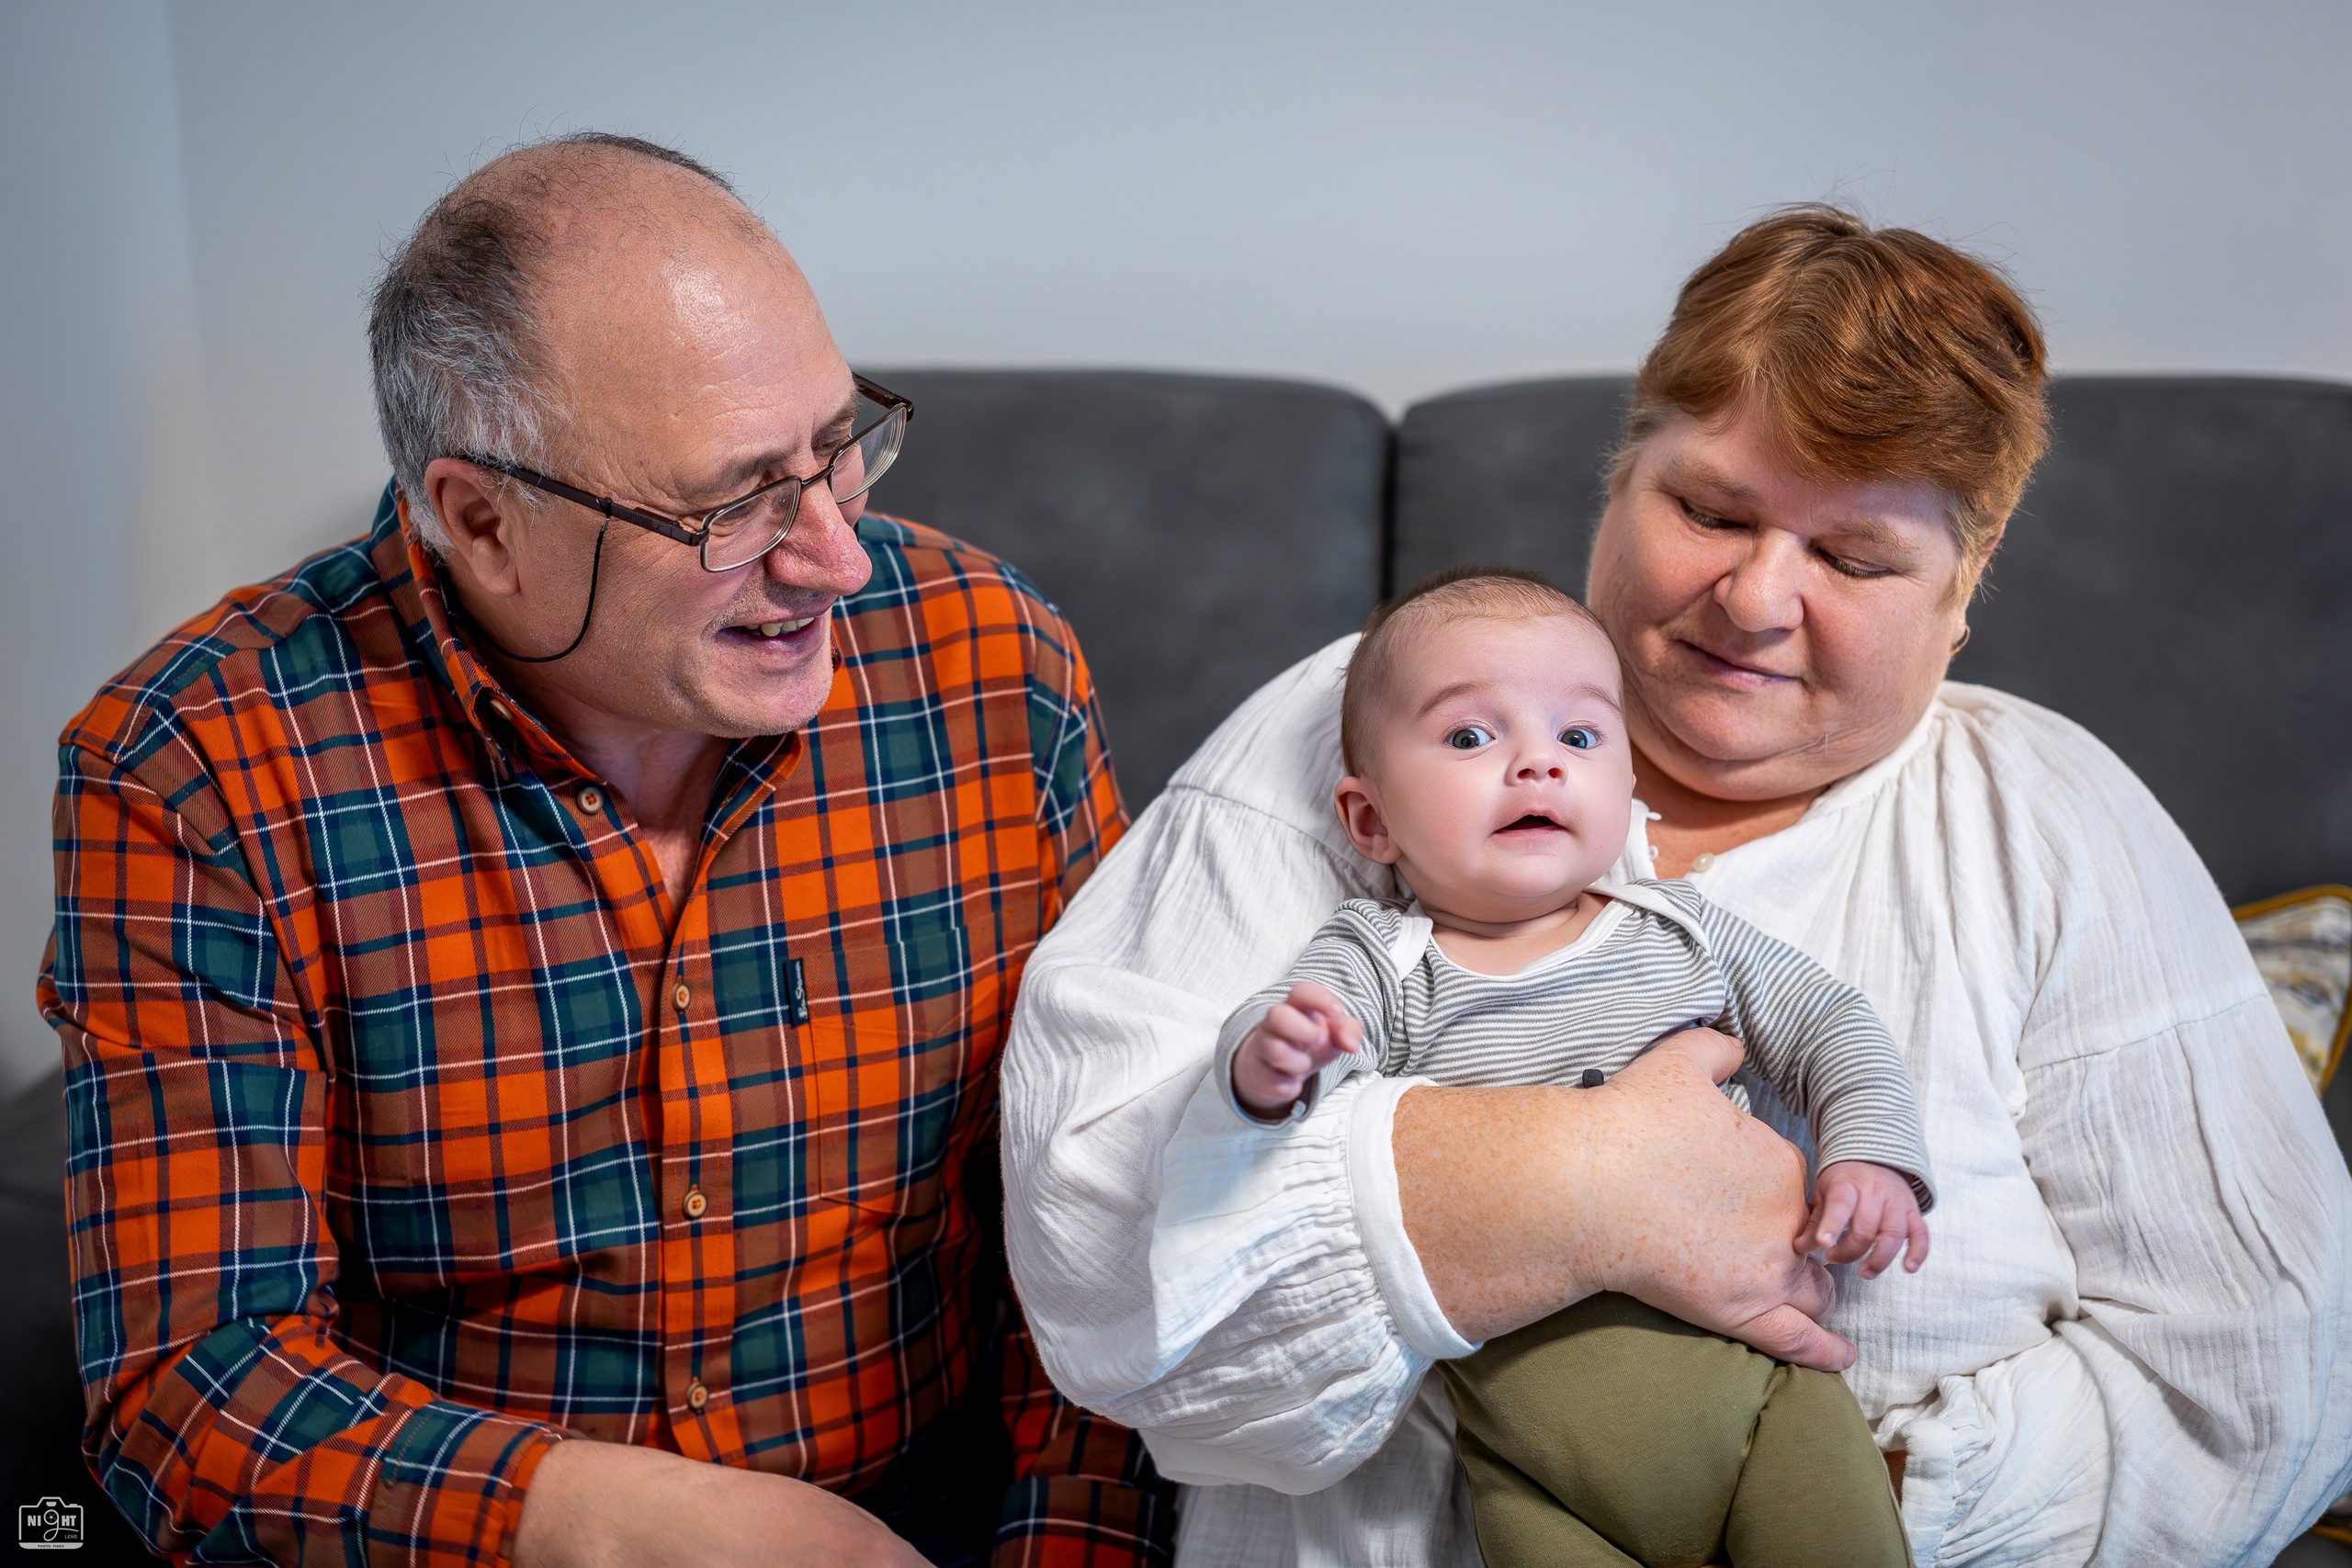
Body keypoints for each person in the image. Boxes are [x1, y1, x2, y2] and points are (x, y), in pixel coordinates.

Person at [1002, 206, 2352, 1565]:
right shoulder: (1360, 720)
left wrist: (1818, 1507)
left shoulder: (2048, 817)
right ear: (1620, 474)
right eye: (1709, 509)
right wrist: (1580, 1182)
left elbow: (2261, 1372)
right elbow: (1097, 1270)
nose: (1756, 599)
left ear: (1966, 584)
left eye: (1854, 558)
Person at [40, 133, 1172, 1568]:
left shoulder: (991, 662)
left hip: (948, 1509)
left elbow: (1105, 1204)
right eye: (736, 502)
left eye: (839, 450)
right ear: (483, 521)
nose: (839, 557)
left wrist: (1067, 1546)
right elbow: (194, 1384)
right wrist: (613, 1519)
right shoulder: (193, 769)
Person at [1215, 568, 1926, 1567]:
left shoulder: (1679, 930)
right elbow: (1299, 1071)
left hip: (1771, 1396)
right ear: (1371, 820)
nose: (1537, 765)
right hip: (1537, 1470)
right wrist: (1271, 1060)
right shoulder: (1382, 960)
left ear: (1626, 790)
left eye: (1580, 737)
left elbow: (1830, 1024)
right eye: (1471, 735)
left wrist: (1870, 1156)